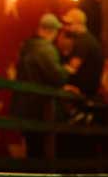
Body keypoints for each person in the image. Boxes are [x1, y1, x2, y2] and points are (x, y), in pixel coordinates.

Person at [11, 13, 69, 158]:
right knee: (41, 150)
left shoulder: (27, 46)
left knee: (31, 147)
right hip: (39, 107)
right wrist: (67, 71)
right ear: (52, 31)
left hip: (24, 105)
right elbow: (57, 77)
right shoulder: (46, 49)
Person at [59, 8, 103, 97]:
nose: (65, 27)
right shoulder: (86, 39)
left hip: (82, 92)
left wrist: (53, 71)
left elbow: (72, 68)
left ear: (79, 24)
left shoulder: (83, 42)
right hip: (85, 90)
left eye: (69, 24)